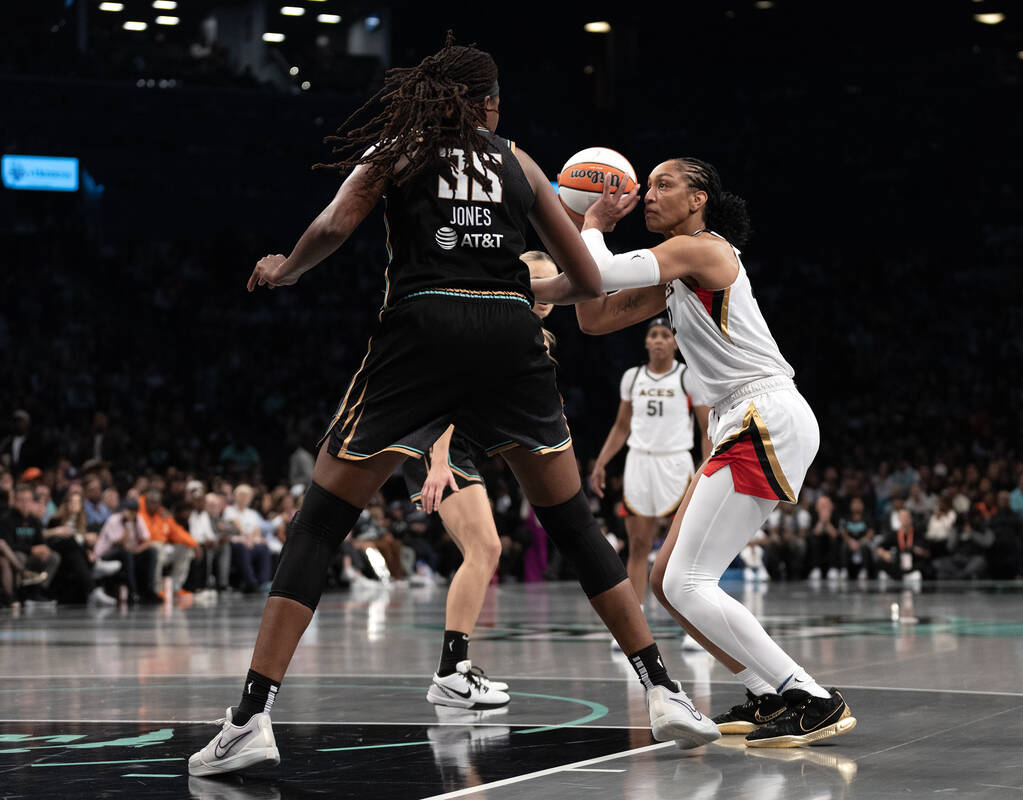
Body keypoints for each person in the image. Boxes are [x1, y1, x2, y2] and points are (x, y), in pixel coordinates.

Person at [188, 37, 717, 779]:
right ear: (491, 103)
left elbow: (336, 226)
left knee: (322, 521)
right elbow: (587, 281)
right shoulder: (519, 161)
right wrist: (583, 234)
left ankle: (249, 718)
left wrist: (286, 267)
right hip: (509, 331)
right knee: (571, 524)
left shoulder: (397, 147)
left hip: (422, 327)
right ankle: (664, 691)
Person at [537, 157, 855, 748]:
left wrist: (594, 221)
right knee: (666, 580)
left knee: (685, 581)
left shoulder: (703, 249)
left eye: (663, 184)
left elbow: (599, 270)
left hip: (763, 413)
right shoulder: (676, 275)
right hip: (743, 420)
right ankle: (768, 692)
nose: (648, 194)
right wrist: (511, 279)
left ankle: (809, 697)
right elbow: (594, 314)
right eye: (648, 185)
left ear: (698, 198)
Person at [402, 251, 557, 711]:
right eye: (537, 282)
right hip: (439, 445)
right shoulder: (493, 324)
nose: (545, 294)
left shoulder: (532, 333)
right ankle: (451, 673)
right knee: (486, 549)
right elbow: (452, 395)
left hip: (460, 448)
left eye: (553, 284)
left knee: (484, 550)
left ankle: (454, 670)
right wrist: (438, 460)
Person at [589, 317, 711, 644]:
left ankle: (695, 625)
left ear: (674, 342)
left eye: (665, 335)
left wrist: (708, 465)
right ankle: (633, 626)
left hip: (676, 462)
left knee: (685, 547)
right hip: (639, 463)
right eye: (653, 335)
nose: (658, 340)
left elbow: (705, 428)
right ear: (646, 343)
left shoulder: (688, 377)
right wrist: (601, 462)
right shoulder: (632, 377)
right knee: (639, 546)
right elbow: (620, 427)